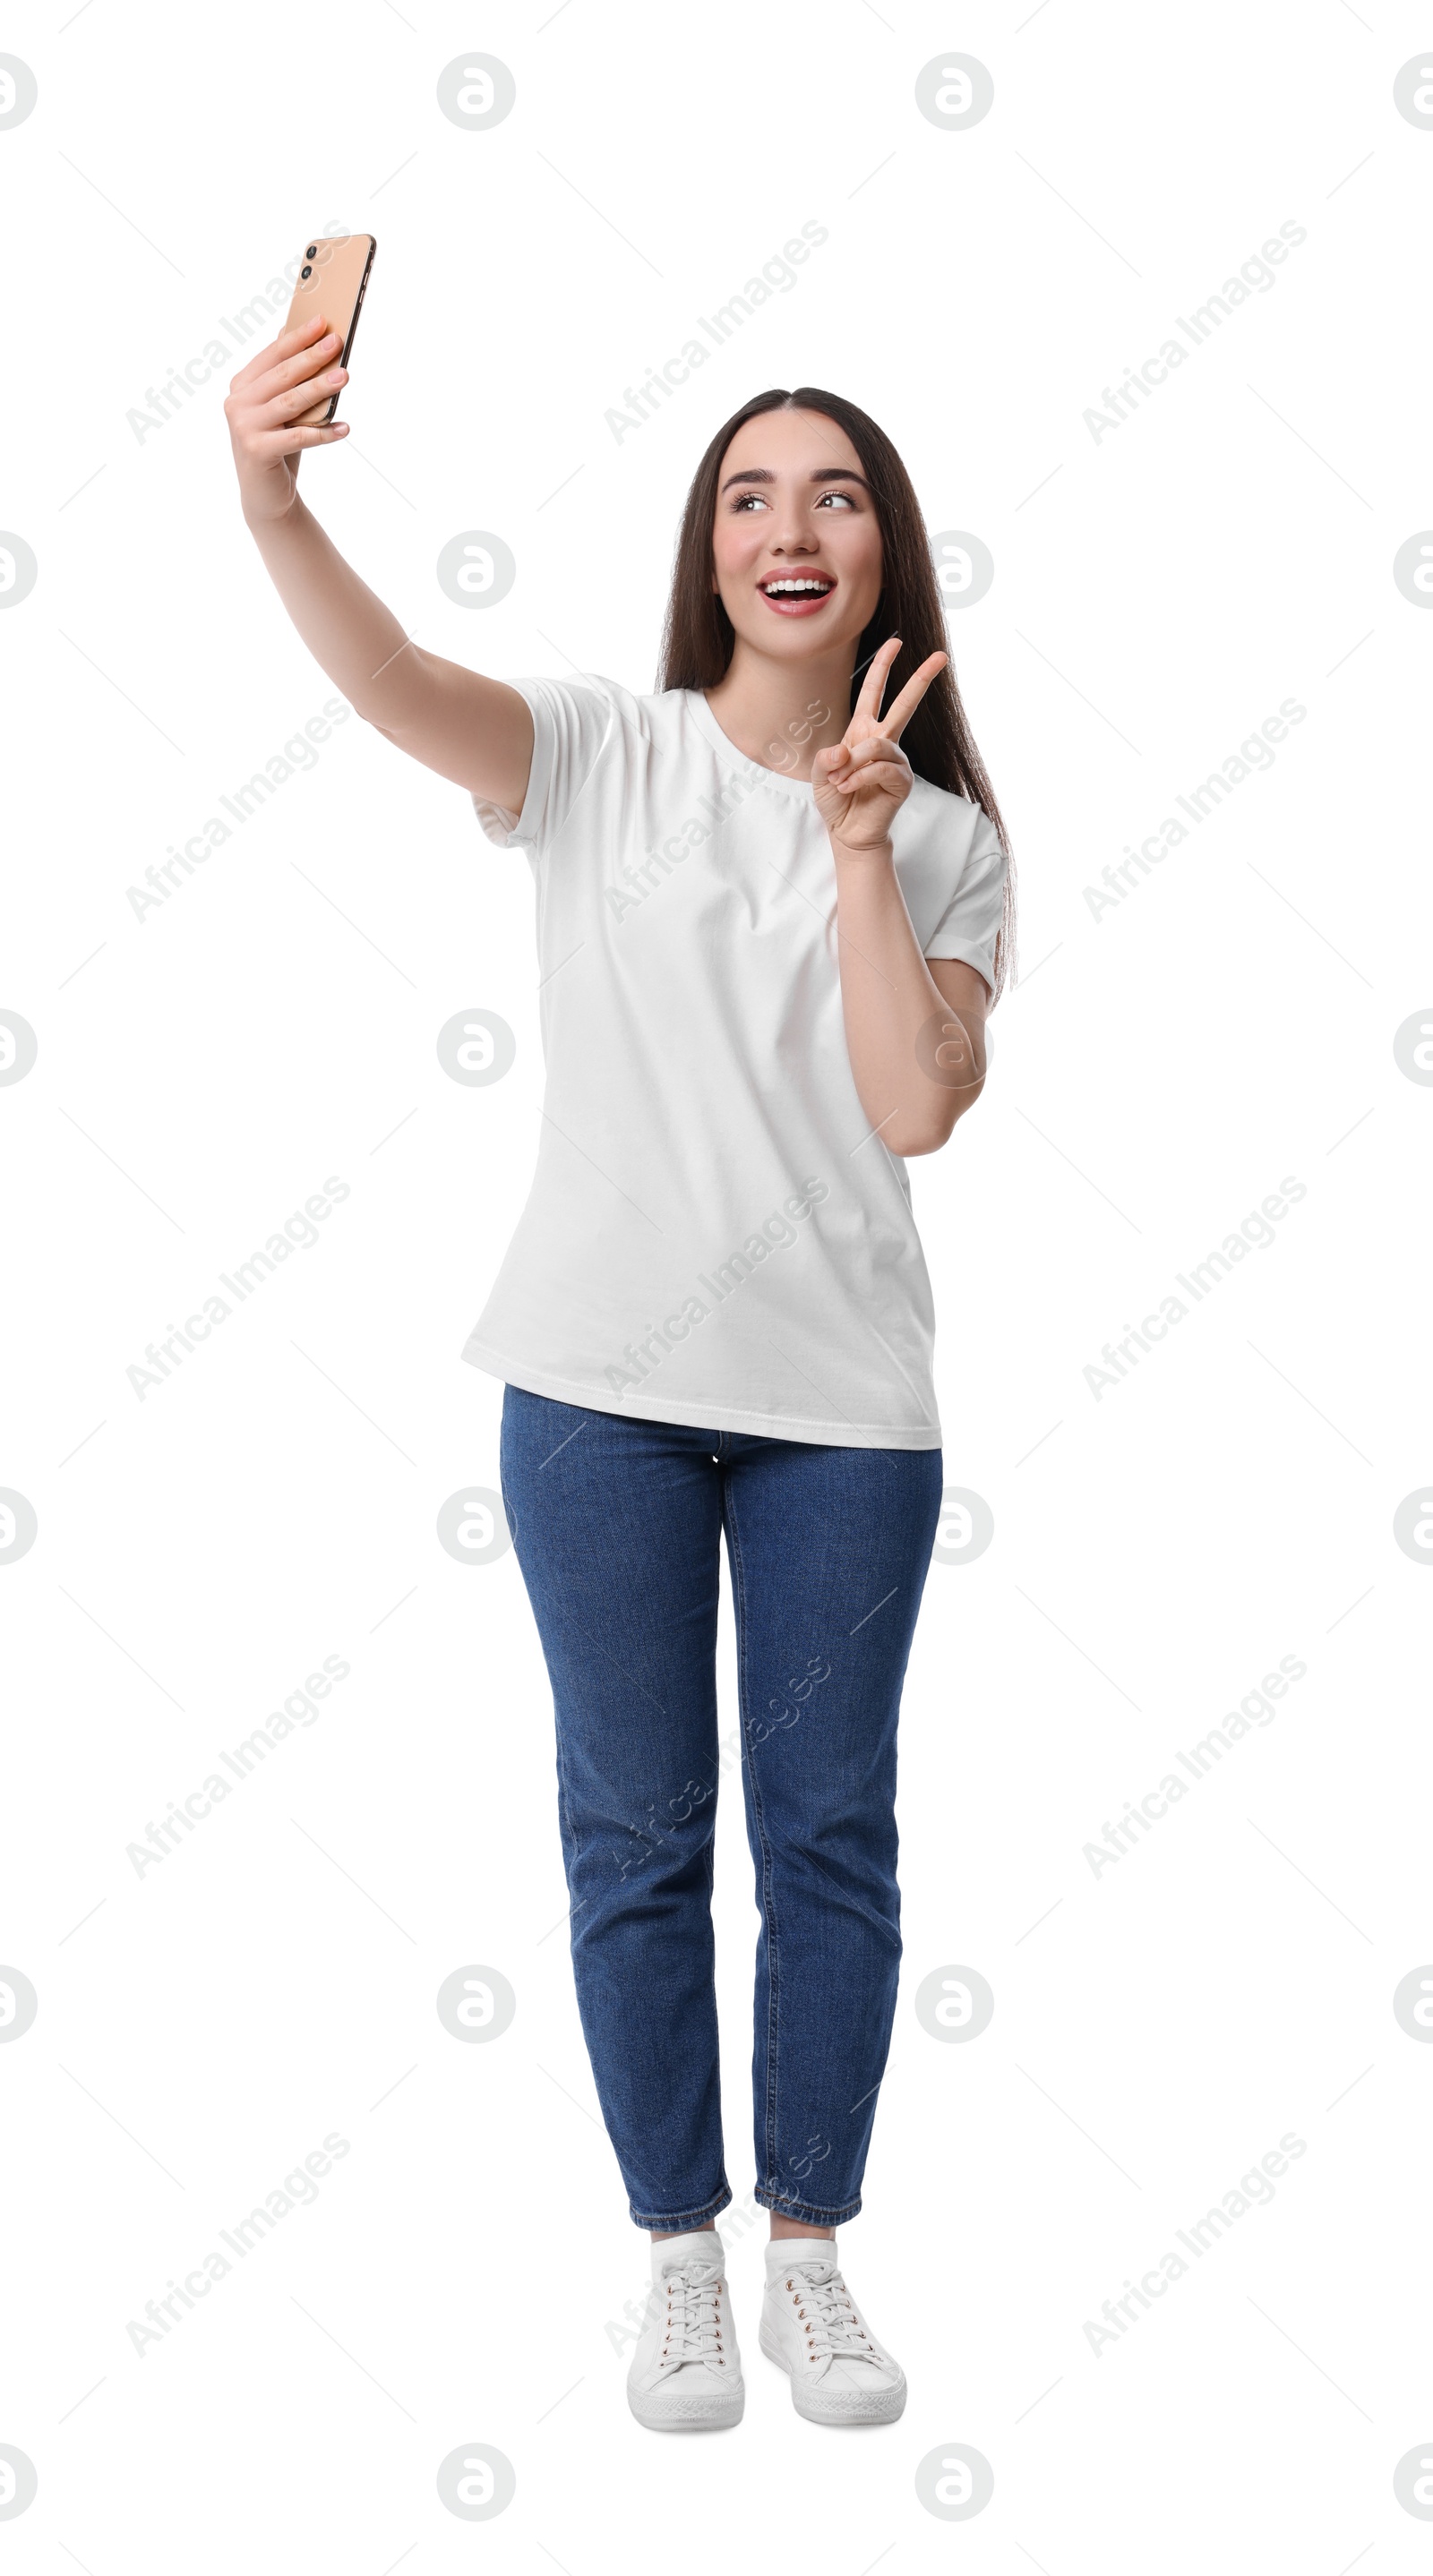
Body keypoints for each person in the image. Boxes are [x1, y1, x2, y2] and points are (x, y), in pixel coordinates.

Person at [225, 315, 1015, 2433]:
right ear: (708, 546)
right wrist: (275, 500)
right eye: (750, 492)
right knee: (637, 1828)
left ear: (881, 552)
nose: (790, 524)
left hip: (847, 1405)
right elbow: (397, 690)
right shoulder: (600, 749)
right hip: (595, 1390)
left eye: (832, 492)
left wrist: (857, 847)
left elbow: (912, 1104)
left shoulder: (943, 837)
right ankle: (675, 2250)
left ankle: (809, 2256)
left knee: (829, 1838)